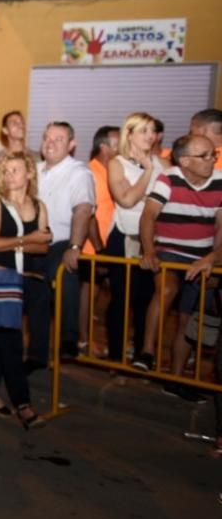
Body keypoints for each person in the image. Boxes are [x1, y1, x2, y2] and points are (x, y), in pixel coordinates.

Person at [140, 134, 222, 403]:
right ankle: (147, 353)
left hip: (202, 256)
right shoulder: (169, 179)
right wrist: (149, 250)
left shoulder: (220, 182)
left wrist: (213, 257)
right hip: (170, 250)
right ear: (185, 161)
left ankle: (174, 379)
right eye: (205, 155)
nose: (212, 159)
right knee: (166, 289)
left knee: (189, 319)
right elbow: (148, 215)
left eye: (213, 154)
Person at [0, 153, 51, 428]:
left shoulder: (38, 205)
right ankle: (23, 404)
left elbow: (43, 246)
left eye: (15, 170)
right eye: (6, 171)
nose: (10, 175)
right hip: (1, 277)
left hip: (30, 277)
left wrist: (19, 242)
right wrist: (27, 240)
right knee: (10, 338)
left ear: (29, 173)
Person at [33, 121, 96, 368]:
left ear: (71, 145)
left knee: (65, 276)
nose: (50, 143)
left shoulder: (79, 172)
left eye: (58, 139)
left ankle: (69, 339)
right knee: (36, 300)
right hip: (32, 245)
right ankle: (37, 355)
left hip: (60, 242)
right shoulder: (34, 170)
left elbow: (83, 209)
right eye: (47, 137)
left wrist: (74, 246)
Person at [106, 114, 165, 367]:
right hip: (124, 236)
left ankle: (143, 355)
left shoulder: (163, 164)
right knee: (121, 299)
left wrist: (149, 173)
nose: (150, 136)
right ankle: (116, 359)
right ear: (129, 134)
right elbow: (127, 200)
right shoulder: (117, 163)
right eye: (143, 130)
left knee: (146, 299)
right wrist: (148, 172)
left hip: (152, 239)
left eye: (152, 131)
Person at [80, 125, 119, 355]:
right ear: (104, 146)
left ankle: (108, 341)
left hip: (111, 245)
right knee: (89, 293)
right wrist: (98, 246)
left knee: (110, 297)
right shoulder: (91, 172)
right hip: (93, 246)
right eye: (117, 144)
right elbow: (89, 213)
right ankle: (84, 340)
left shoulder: (112, 170)